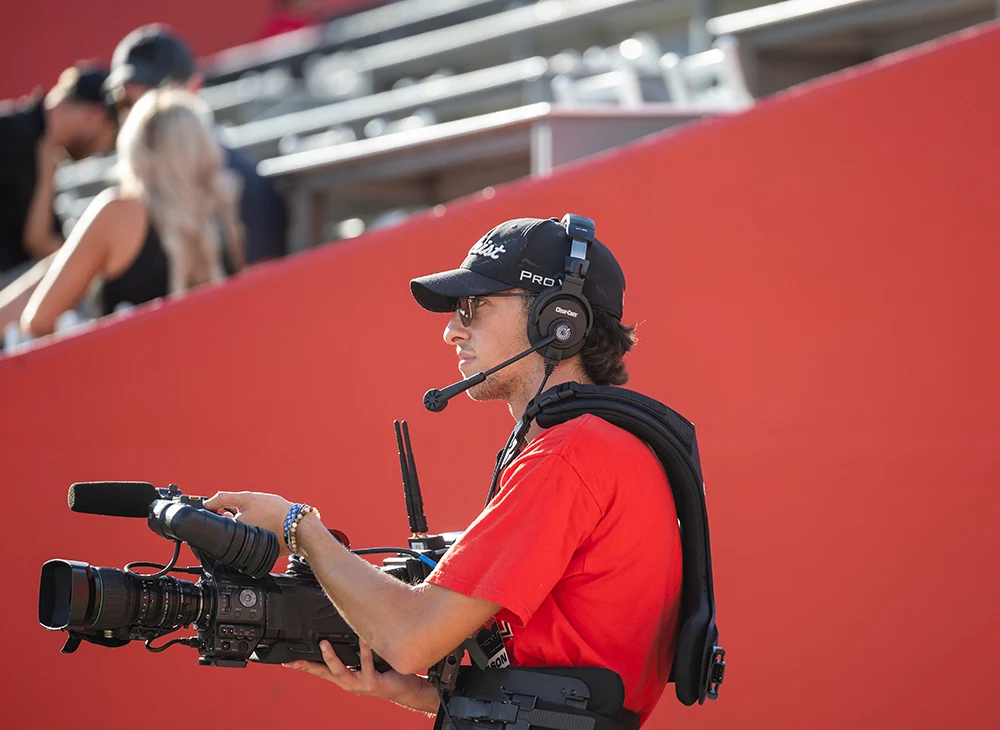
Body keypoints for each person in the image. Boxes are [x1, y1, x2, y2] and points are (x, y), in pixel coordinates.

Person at [202, 217, 683, 726]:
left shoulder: (568, 457)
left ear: (558, 320)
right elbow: (573, 688)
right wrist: (425, 695)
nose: (452, 330)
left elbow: (410, 639)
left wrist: (299, 528)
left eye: (475, 308)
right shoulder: (603, 446)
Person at [19, 89, 244, 337]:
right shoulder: (226, 204)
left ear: (135, 148)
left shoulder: (119, 213)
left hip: (129, 370)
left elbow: (38, 320)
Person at [104, 24, 288, 265]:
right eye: (124, 102)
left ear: (193, 89)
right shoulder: (119, 204)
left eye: (153, 101)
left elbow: (263, 289)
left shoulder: (243, 184)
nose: (134, 117)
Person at [0, 65, 118, 288]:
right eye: (110, 138)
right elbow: (40, 243)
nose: (102, 150)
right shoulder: (13, 135)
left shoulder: (39, 146)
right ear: (96, 116)